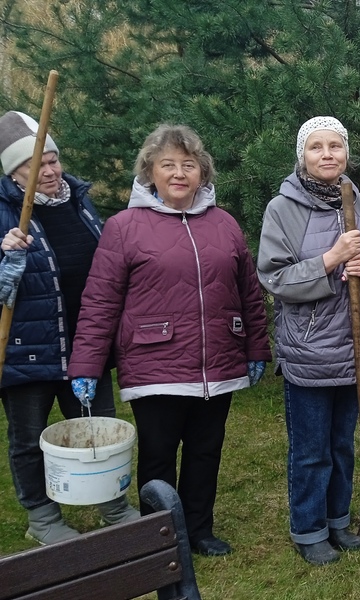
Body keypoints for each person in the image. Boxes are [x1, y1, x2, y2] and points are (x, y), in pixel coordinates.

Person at [68, 124, 271, 557]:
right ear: (150, 172)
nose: (179, 174)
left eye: (189, 165)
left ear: (202, 173)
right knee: (159, 455)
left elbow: (250, 294)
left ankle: (199, 531)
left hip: (216, 367)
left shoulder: (225, 224)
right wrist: (85, 365)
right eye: (168, 165)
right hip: (154, 364)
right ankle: (159, 538)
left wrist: (256, 349)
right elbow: (100, 301)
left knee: (205, 452)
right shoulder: (124, 227)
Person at [257, 116, 360, 566]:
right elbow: (275, 278)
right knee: (312, 449)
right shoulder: (283, 209)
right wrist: (330, 260)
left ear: (345, 153)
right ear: (303, 155)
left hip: (358, 349)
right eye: (317, 147)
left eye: (335, 146)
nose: (327, 154)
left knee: (345, 443)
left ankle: (338, 521)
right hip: (311, 351)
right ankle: (308, 529)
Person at [0, 110, 141, 544]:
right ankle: (42, 516)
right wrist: (6, 263)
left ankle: (111, 504)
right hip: (28, 350)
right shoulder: (4, 214)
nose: (50, 170)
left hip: (86, 343)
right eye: (36, 164)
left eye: (53, 160)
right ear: (13, 172)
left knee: (99, 427)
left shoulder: (77, 200)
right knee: (28, 437)